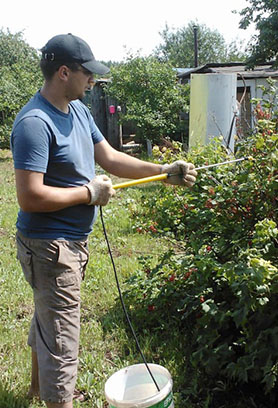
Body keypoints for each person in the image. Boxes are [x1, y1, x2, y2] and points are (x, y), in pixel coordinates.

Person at [10, 33, 197, 408]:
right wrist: (88, 194)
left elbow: (110, 158)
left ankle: (33, 390)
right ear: (64, 72)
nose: (92, 80)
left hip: (71, 242)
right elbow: (29, 196)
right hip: (51, 247)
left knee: (50, 318)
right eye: (87, 73)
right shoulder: (34, 123)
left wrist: (163, 171)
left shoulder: (77, 110)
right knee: (63, 340)